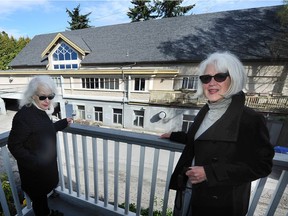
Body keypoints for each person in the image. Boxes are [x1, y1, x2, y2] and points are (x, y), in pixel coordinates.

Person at [161, 51, 275, 216]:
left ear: (233, 79)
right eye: (206, 78)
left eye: (220, 76)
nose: (211, 83)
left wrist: (209, 172)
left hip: (222, 202)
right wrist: (174, 136)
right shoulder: (206, 110)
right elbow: (202, 139)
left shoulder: (250, 118)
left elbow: (262, 166)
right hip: (192, 192)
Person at [8, 75, 73, 216]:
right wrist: (35, 161)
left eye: (51, 96)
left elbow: (43, 129)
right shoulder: (23, 116)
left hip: (43, 171)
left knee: (41, 199)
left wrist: (63, 123)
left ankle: (47, 213)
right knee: (39, 201)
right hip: (34, 173)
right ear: (32, 96)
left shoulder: (39, 111)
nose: (47, 101)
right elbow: (14, 145)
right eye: (43, 97)